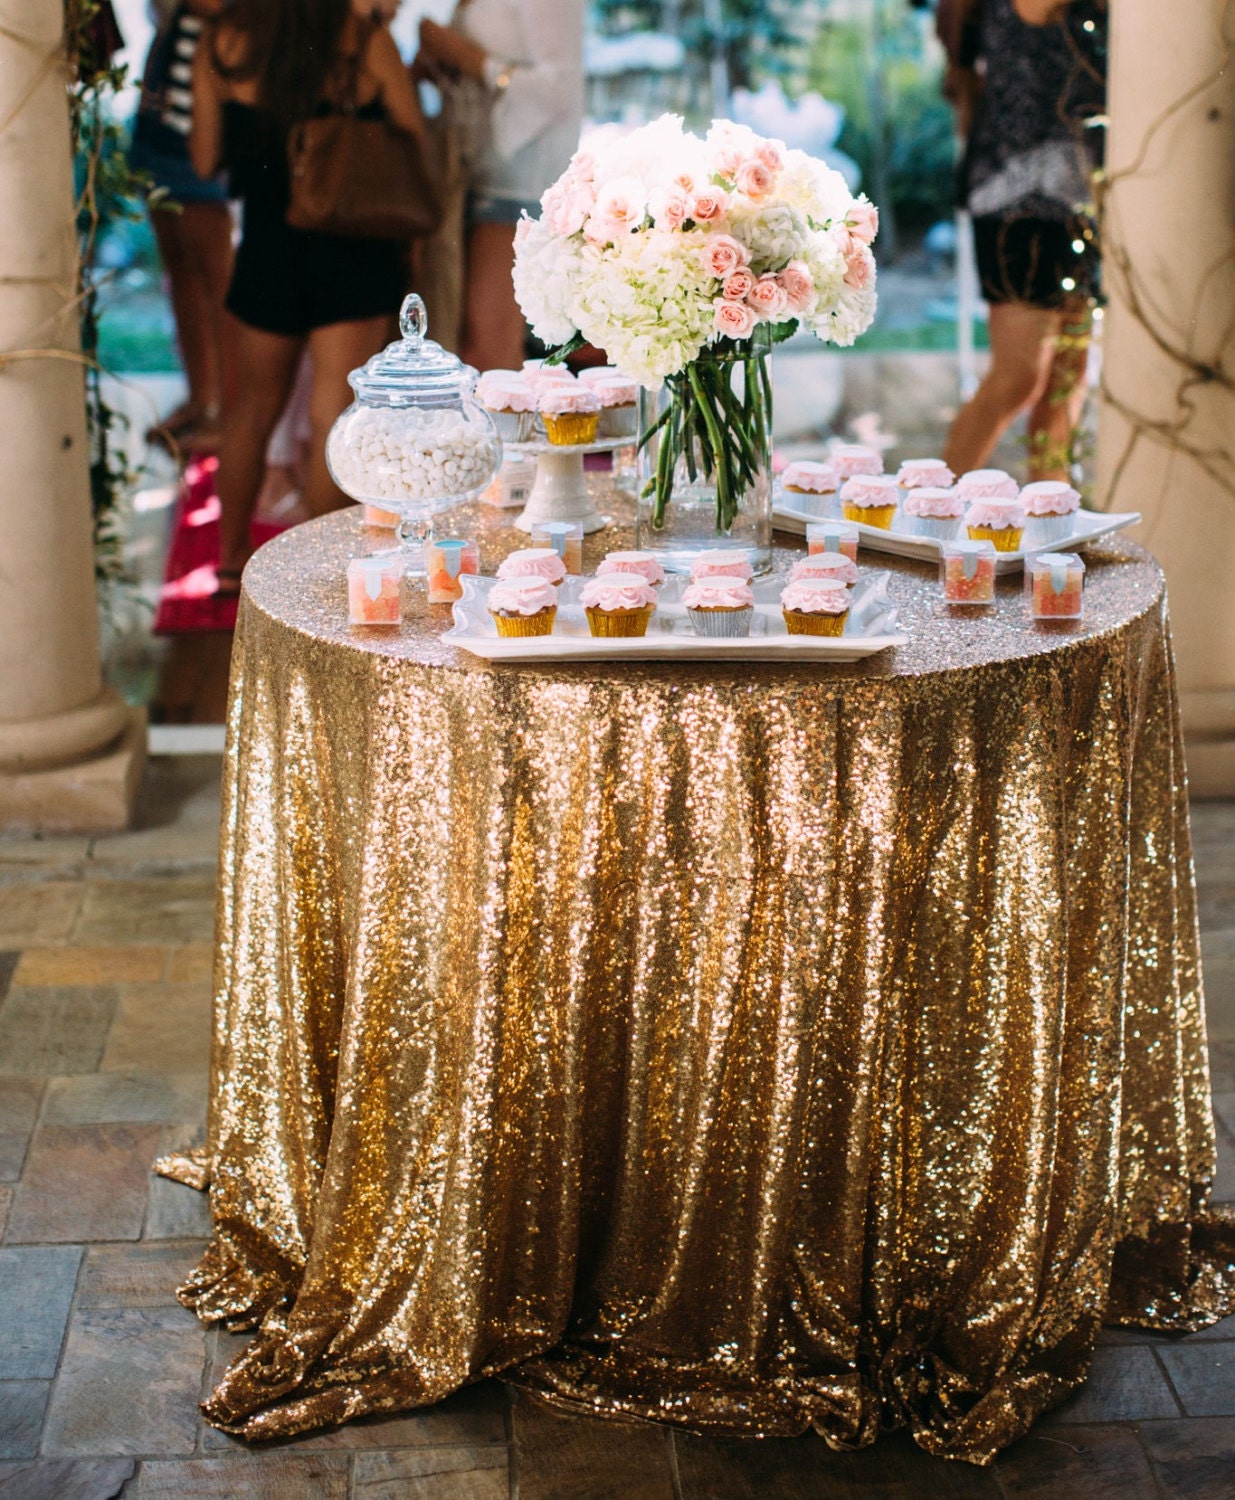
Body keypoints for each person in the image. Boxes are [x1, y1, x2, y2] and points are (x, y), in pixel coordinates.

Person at [190, 0, 426, 594]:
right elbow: (412, 130)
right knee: (332, 412)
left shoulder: (225, 42)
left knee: (251, 408)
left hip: (268, 244)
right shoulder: (361, 36)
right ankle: (320, 567)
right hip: (352, 240)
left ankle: (229, 557)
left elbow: (203, 157)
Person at [941, 0, 1107, 481]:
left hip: (1086, 200)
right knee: (1018, 378)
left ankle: (1049, 523)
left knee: (1067, 381)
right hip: (1020, 201)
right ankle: (926, 515)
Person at [414, 0, 583, 371]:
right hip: (470, 175)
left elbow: (561, 89)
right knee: (464, 347)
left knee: (489, 353)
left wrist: (469, 59)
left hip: (518, 183)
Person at [129, 0, 234, 453]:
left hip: (204, 119)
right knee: (182, 272)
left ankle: (229, 412)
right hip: (163, 111)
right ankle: (201, 399)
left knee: (216, 277)